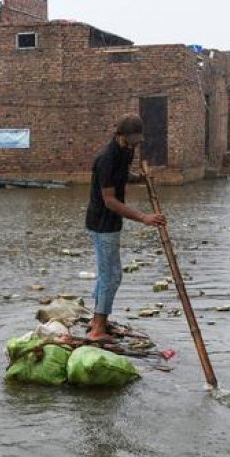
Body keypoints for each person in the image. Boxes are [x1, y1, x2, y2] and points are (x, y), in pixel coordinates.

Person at [85, 114, 166, 342]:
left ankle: (98, 321)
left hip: (111, 223)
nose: (132, 146)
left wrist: (139, 178)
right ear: (118, 135)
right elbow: (109, 199)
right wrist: (144, 217)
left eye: (135, 142)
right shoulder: (106, 159)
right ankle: (97, 330)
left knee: (107, 274)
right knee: (111, 276)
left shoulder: (126, 151)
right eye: (129, 141)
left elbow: (120, 177)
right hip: (102, 223)